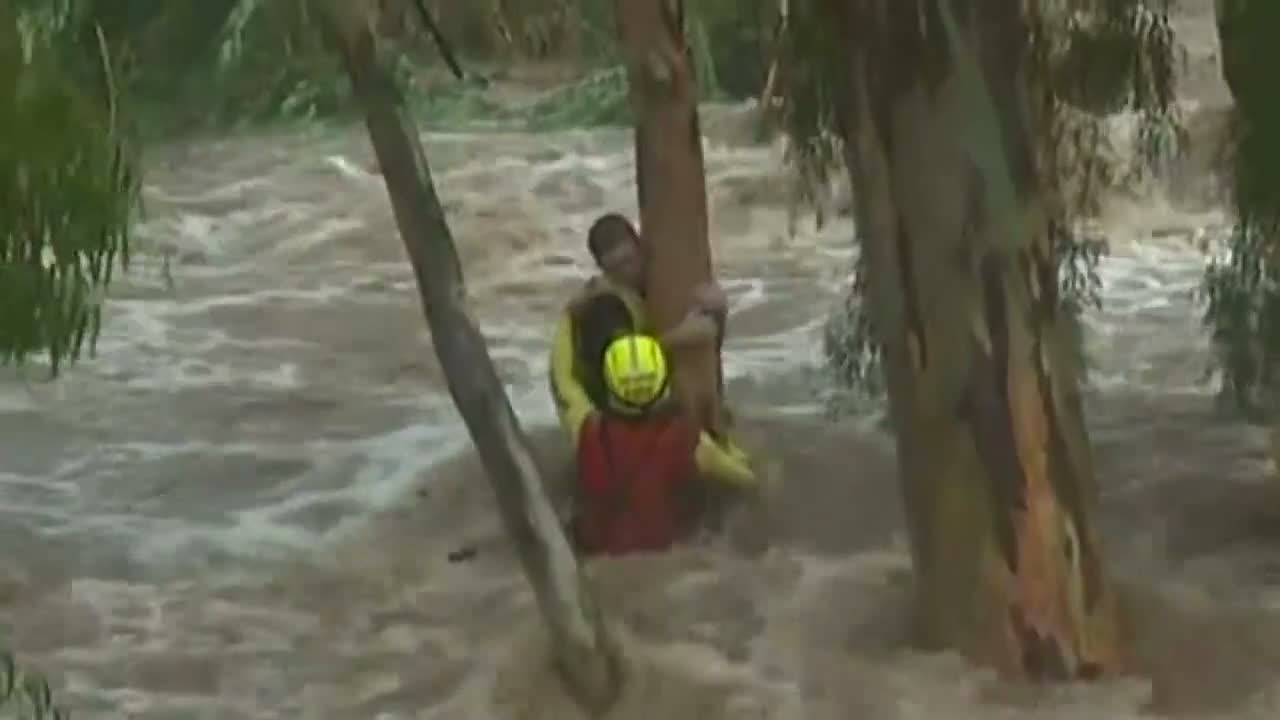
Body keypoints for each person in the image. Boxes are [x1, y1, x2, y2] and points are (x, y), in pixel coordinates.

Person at [548, 213, 756, 554]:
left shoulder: (651, 291)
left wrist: (718, 316)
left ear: (642, 249)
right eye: (617, 267)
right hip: (593, 397)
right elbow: (626, 366)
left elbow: (687, 361)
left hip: (615, 410)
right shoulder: (605, 309)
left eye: (631, 260)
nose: (628, 271)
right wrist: (683, 336)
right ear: (603, 269)